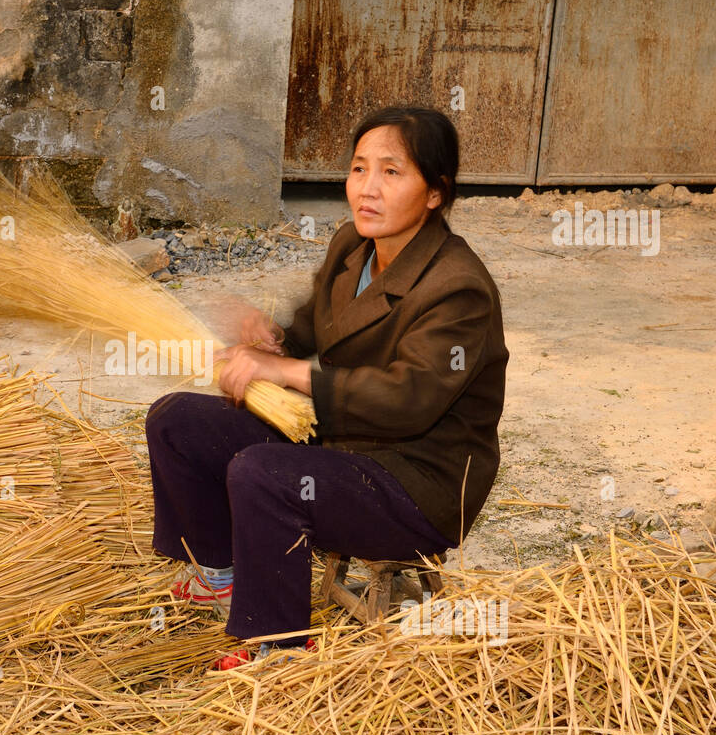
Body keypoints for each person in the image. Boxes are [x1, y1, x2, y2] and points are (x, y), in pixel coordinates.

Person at [144, 105, 509, 670]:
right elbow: (317, 327)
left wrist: (286, 374)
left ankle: (281, 646)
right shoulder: (353, 246)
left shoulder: (457, 288)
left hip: (414, 478)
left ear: (435, 193)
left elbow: (406, 400)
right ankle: (220, 573)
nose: (368, 189)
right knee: (176, 419)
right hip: (342, 441)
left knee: (262, 473)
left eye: (392, 172)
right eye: (359, 168)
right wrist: (275, 340)